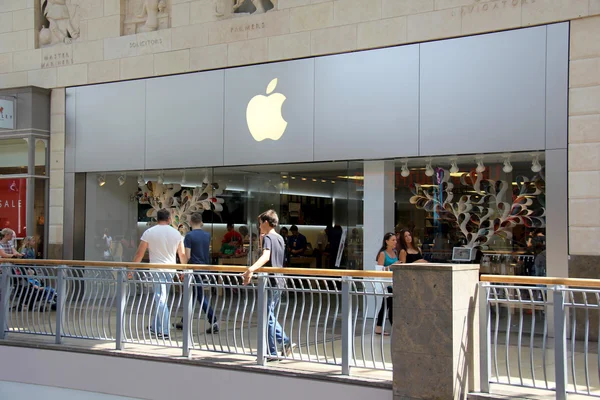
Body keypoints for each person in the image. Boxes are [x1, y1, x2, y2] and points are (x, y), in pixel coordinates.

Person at [242, 210, 294, 359]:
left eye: (260, 224)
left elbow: (266, 256)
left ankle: (273, 350)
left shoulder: (269, 238)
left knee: (267, 316)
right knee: (269, 314)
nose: (259, 227)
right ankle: (283, 342)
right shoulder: (278, 238)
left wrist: (251, 269)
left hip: (271, 281)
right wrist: (261, 239)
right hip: (279, 280)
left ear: (266, 222)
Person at [132, 209, 188, 339]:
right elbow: (182, 255)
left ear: (157, 219)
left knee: (160, 299)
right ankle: (155, 326)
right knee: (162, 298)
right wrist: (184, 270)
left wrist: (131, 269)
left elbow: (139, 254)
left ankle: (164, 330)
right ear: (169, 219)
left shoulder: (149, 232)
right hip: (170, 270)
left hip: (156, 270)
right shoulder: (176, 234)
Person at [174, 212, 219, 333]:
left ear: (190, 222)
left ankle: (213, 320)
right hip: (204, 267)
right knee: (193, 295)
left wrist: (183, 267)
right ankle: (184, 321)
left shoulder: (189, 236)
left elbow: (187, 255)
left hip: (194, 269)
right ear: (201, 222)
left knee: (199, 295)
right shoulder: (207, 235)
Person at [374, 233, 397, 335]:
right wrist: (392, 266)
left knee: (387, 305)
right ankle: (392, 326)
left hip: (393, 283)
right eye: (393, 240)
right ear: (387, 241)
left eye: (395, 240)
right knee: (389, 304)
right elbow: (380, 270)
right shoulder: (383, 254)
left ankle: (379, 326)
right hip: (386, 284)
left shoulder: (395, 253)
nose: (395, 242)